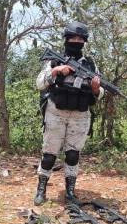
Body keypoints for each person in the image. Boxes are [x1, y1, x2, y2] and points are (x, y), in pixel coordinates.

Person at [34, 21, 103, 206]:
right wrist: (56, 71)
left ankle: (70, 191)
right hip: (55, 113)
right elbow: (40, 84)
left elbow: (100, 93)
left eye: (80, 39)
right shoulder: (54, 60)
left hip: (80, 115)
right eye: (73, 38)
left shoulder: (90, 64)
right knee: (49, 155)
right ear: (66, 39)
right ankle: (41, 189)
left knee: (73, 155)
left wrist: (96, 89)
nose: (76, 41)